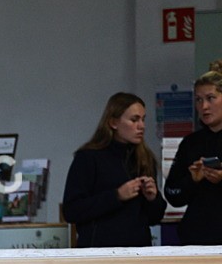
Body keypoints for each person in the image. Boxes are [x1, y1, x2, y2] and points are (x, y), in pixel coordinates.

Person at [62, 92, 166, 247]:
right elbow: (72, 211)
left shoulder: (145, 158)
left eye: (143, 119)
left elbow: (153, 218)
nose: (141, 126)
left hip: (138, 251)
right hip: (99, 252)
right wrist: (116, 196)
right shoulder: (89, 157)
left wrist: (153, 198)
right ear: (113, 122)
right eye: (134, 120)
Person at [165, 66, 222, 245]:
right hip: (198, 238)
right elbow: (172, 194)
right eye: (198, 100)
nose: (204, 106)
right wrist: (192, 180)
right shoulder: (191, 143)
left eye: (211, 98)